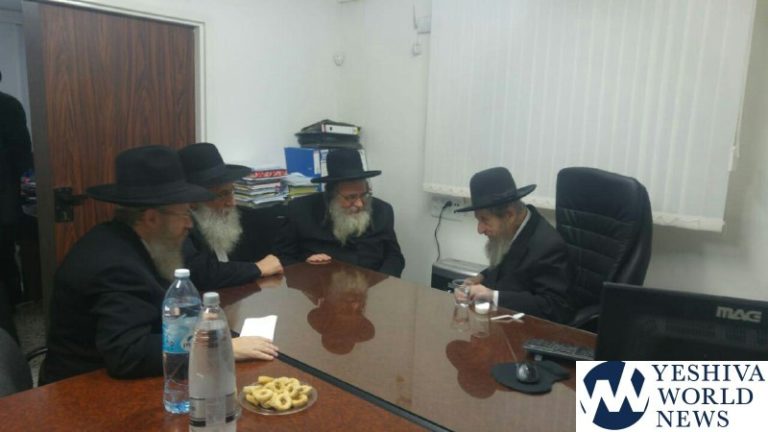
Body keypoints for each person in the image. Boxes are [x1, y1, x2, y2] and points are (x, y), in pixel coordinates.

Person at [40, 146, 278, 385]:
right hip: (81, 388)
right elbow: (128, 353)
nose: (189, 224)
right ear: (152, 218)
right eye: (184, 214)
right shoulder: (117, 265)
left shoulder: (131, 240)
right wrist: (217, 346)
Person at [453, 167, 574, 323]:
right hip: (502, 325)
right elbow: (507, 268)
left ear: (509, 215)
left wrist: (493, 297)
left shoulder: (548, 246)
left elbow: (554, 307)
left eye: (484, 220)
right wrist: (479, 278)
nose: (480, 229)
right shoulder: (515, 229)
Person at [275, 149, 405, 277]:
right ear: (331, 195)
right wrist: (304, 266)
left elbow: (394, 256)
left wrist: (381, 282)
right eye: (351, 197)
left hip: (373, 284)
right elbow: (283, 258)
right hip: (321, 285)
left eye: (364, 195)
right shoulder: (300, 211)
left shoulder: (383, 210)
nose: (360, 204)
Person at [178, 142, 283, 290]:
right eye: (223, 194)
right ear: (193, 200)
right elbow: (200, 273)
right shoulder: (179, 226)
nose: (232, 202)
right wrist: (257, 268)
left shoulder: (237, 219)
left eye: (232, 191)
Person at [0, 70, 33, 341]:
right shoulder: (10, 105)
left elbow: (22, 155)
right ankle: (11, 305)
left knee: (4, 253)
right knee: (5, 254)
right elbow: (23, 155)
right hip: (6, 196)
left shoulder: (8, 106)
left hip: (5, 194)